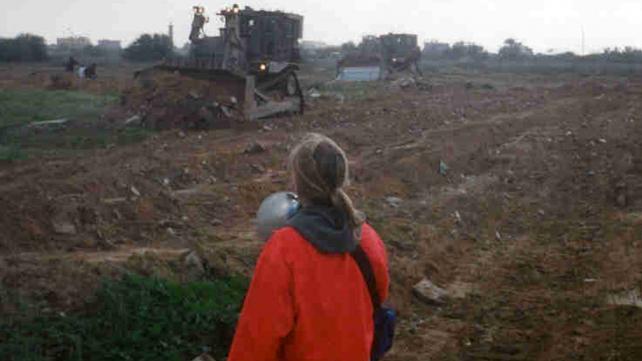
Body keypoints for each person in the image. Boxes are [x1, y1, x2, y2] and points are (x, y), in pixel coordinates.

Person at [228, 133, 390, 361]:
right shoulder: (367, 238)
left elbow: (256, 339)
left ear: (297, 183)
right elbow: (376, 300)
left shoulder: (283, 249)